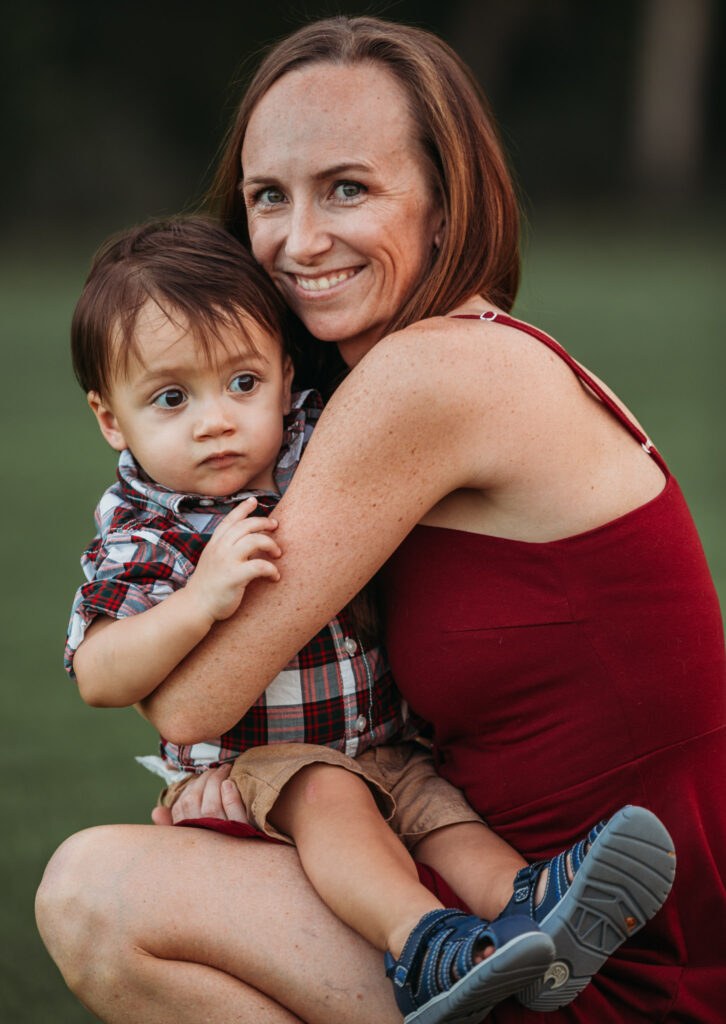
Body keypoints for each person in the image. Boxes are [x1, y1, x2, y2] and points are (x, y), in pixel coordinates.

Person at [35, 15, 725, 1024]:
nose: (296, 240)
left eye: (347, 189)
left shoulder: (425, 377)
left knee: (95, 892)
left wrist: (218, 762)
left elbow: (189, 703)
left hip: (599, 954)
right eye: (269, 196)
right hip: (539, 903)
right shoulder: (450, 359)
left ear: (445, 207)